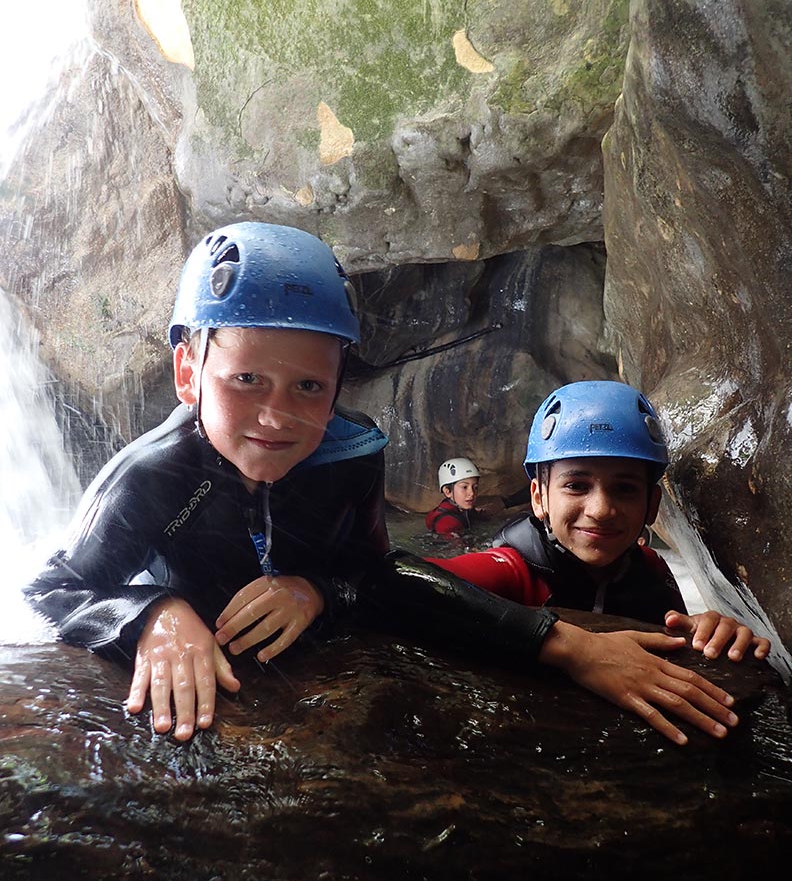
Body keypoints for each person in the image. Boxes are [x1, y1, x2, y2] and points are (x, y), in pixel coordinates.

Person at [24, 229, 745, 747]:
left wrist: (315, 589)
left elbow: (375, 576)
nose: (277, 415)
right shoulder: (154, 475)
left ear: (339, 383)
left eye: (310, 386)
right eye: (246, 379)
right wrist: (153, 612)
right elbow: (53, 587)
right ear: (188, 371)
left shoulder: (349, 456)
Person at [427, 380, 771, 664]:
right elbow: (388, 583)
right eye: (576, 486)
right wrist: (562, 645)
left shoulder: (649, 570)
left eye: (624, 488)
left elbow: (676, 644)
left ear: (652, 505)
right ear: (538, 498)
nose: (601, 509)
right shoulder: (510, 570)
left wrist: (709, 632)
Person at [425, 457, 483, 536]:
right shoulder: (447, 523)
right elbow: (455, 547)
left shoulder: (460, 509)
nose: (472, 493)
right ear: (448, 491)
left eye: (475, 487)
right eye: (464, 487)